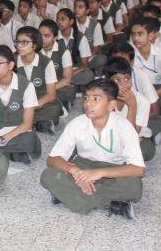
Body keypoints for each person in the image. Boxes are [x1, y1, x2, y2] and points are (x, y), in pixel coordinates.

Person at [40, 78, 145, 218]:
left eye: (96, 99)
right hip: (82, 166)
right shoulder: (77, 123)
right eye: (86, 98)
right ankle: (110, 205)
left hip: (113, 170)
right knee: (48, 175)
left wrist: (99, 173)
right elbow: (52, 159)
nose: (88, 103)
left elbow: (139, 170)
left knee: (134, 187)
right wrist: (74, 171)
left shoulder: (124, 126)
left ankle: (72, 196)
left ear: (111, 105)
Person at [0, 45, 40, 164]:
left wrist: (1, 139)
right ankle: (11, 154)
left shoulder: (26, 85)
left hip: (16, 131)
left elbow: (27, 124)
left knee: (30, 139)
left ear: (10, 65)